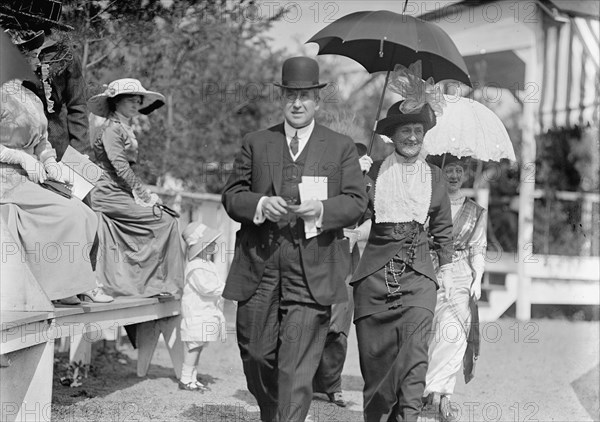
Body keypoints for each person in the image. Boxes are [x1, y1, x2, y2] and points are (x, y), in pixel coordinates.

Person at [221, 56, 368, 422]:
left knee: (295, 367)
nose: (297, 103)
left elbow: (355, 203)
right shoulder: (256, 142)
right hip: (261, 265)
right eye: (290, 96)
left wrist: (320, 209)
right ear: (282, 98)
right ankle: (274, 414)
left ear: (317, 101)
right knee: (256, 356)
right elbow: (232, 195)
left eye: (305, 96)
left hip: (312, 269)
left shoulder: (340, 147)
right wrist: (259, 203)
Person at [351, 100, 454, 422]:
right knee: (376, 365)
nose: (413, 137)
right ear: (392, 136)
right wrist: (354, 180)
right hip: (373, 277)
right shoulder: (375, 172)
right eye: (406, 130)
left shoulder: (435, 177)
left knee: (414, 359)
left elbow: (443, 231)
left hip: (418, 277)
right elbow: (353, 217)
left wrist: (447, 271)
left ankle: (409, 416)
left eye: (418, 131)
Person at [0, 79, 97, 304]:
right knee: (68, 213)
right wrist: (20, 157)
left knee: (86, 214)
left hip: (33, 174)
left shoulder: (32, 95)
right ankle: (55, 288)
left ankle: (69, 283)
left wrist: (50, 162)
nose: (35, 60)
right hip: (6, 176)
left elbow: (42, 142)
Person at [87, 78, 184, 298]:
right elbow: (120, 167)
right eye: (130, 100)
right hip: (107, 193)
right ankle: (157, 285)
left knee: (166, 218)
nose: (135, 104)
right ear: (117, 102)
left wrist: (141, 194)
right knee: (164, 221)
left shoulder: (124, 128)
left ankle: (152, 284)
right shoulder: (112, 130)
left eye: (138, 101)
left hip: (120, 191)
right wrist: (144, 195)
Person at [422, 156, 486, 422]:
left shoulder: (475, 211)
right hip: (429, 271)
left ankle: (443, 396)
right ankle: (426, 391)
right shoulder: (427, 203)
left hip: (460, 275)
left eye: (459, 170)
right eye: (449, 170)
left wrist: (478, 279)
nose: (454, 175)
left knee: (454, 335)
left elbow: (478, 248)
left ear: (465, 175)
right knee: (428, 335)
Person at [313, 143, 372, 408]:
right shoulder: (324, 178)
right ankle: (301, 379)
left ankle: (331, 384)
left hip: (348, 260)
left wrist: (357, 234)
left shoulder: (368, 185)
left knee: (339, 325)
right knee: (312, 318)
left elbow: (377, 218)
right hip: (320, 255)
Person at [0, 0, 91, 160]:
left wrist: (80, 153)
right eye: (25, 20)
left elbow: (77, 105)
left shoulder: (66, 56)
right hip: (13, 145)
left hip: (56, 146)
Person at [178, 221, 226, 392]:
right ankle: (185, 378)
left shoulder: (208, 265)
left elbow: (215, 284)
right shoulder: (195, 266)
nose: (214, 244)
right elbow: (206, 288)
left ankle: (192, 377)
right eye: (210, 242)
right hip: (196, 313)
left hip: (205, 313)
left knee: (198, 346)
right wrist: (225, 289)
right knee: (193, 346)